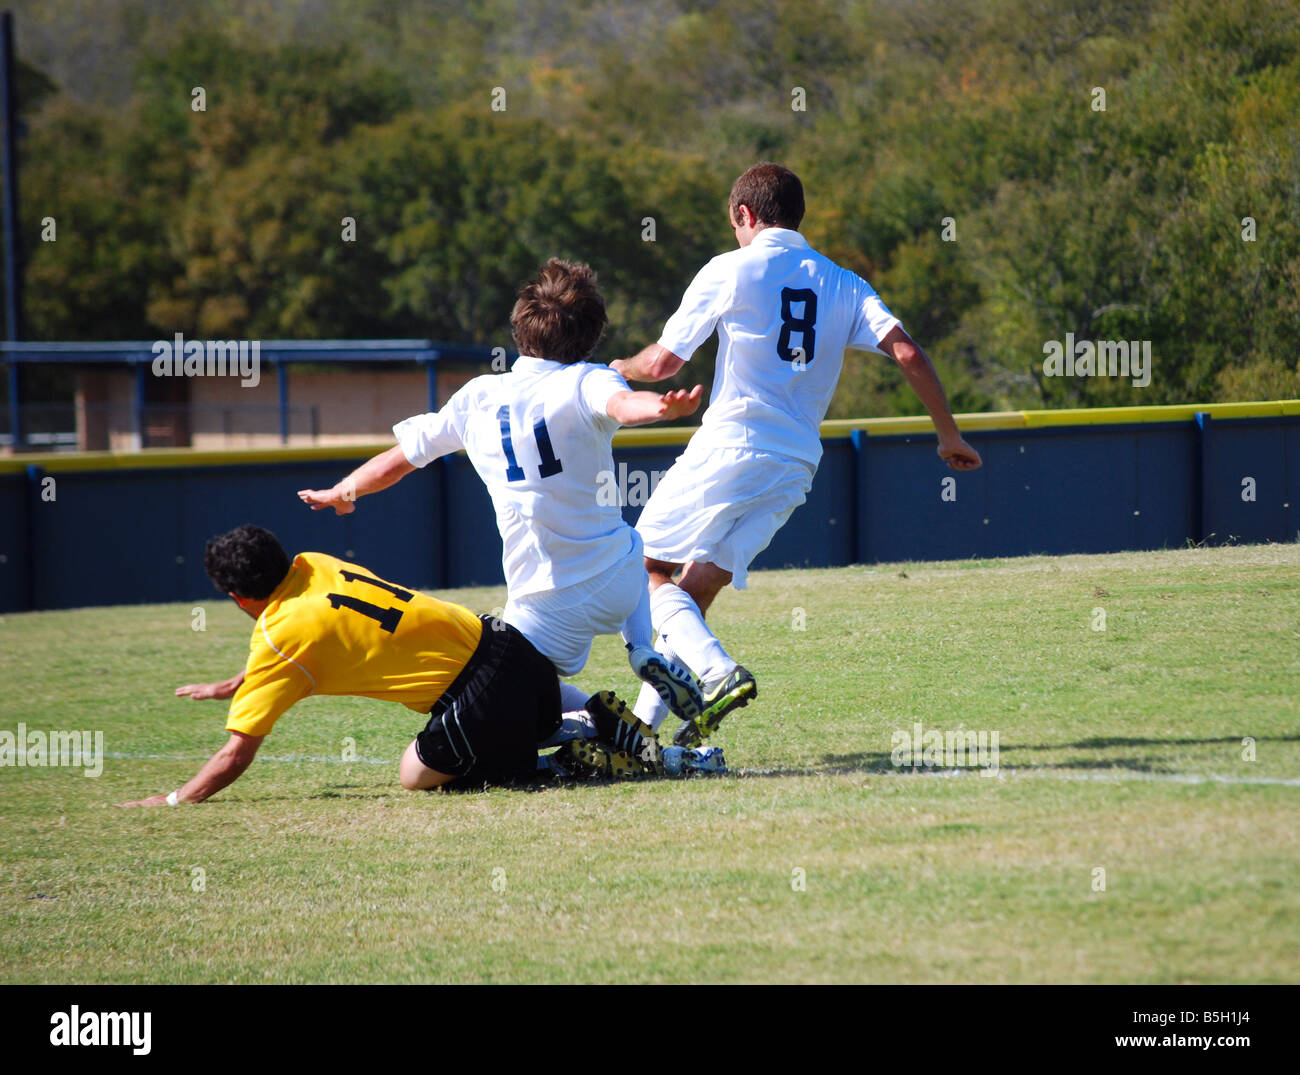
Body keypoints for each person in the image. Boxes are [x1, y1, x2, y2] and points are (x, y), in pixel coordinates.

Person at [611, 162, 984, 747]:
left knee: (647, 567)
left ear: (744, 215)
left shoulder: (730, 268)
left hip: (732, 443)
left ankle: (718, 673)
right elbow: (908, 354)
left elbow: (661, 365)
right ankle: (643, 731)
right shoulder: (844, 282)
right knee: (695, 588)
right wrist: (949, 435)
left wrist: (617, 370)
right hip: (795, 464)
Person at [297, 258, 707, 756]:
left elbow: (402, 460)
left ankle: (601, 727)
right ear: (591, 335)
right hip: (621, 579)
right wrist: (660, 409)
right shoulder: (588, 380)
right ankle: (642, 648)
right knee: (634, 546)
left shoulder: (477, 397)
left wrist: (346, 490)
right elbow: (623, 405)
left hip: (545, 600)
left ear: (519, 328)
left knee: (523, 692)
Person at [117, 525, 652, 806]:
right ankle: (598, 721)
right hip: (513, 648)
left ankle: (562, 763)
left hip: (486, 700)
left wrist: (171, 800)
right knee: (517, 716)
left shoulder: (279, 638)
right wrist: (236, 681)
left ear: (238, 598)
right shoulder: (313, 564)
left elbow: (234, 756)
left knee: (413, 774)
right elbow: (311, 636)